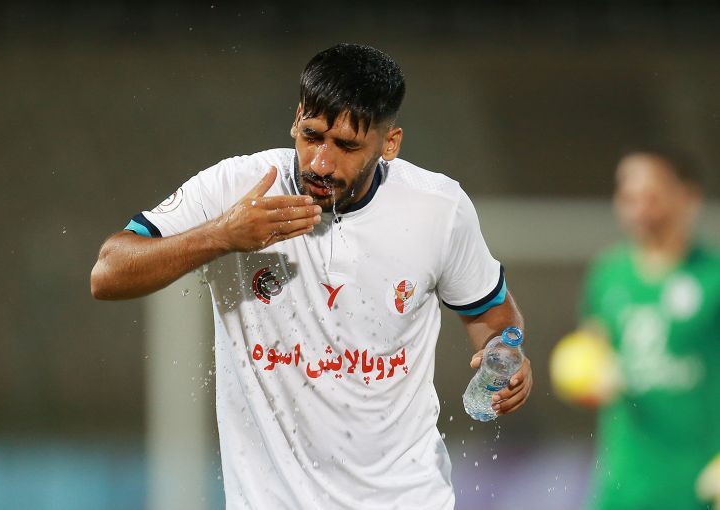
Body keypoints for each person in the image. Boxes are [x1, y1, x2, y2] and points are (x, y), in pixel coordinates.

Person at [91, 43, 531, 509]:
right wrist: (222, 235)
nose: (321, 162)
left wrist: (505, 354)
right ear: (296, 118)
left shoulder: (438, 208)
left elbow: (492, 315)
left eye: (346, 146)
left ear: (390, 143)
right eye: (312, 135)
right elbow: (108, 272)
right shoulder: (238, 189)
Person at [578, 148, 720, 510]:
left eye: (651, 197)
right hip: (624, 484)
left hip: (700, 483)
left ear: (688, 197)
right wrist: (582, 371)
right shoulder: (608, 274)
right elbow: (589, 349)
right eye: (629, 197)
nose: (639, 210)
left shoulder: (713, 277)